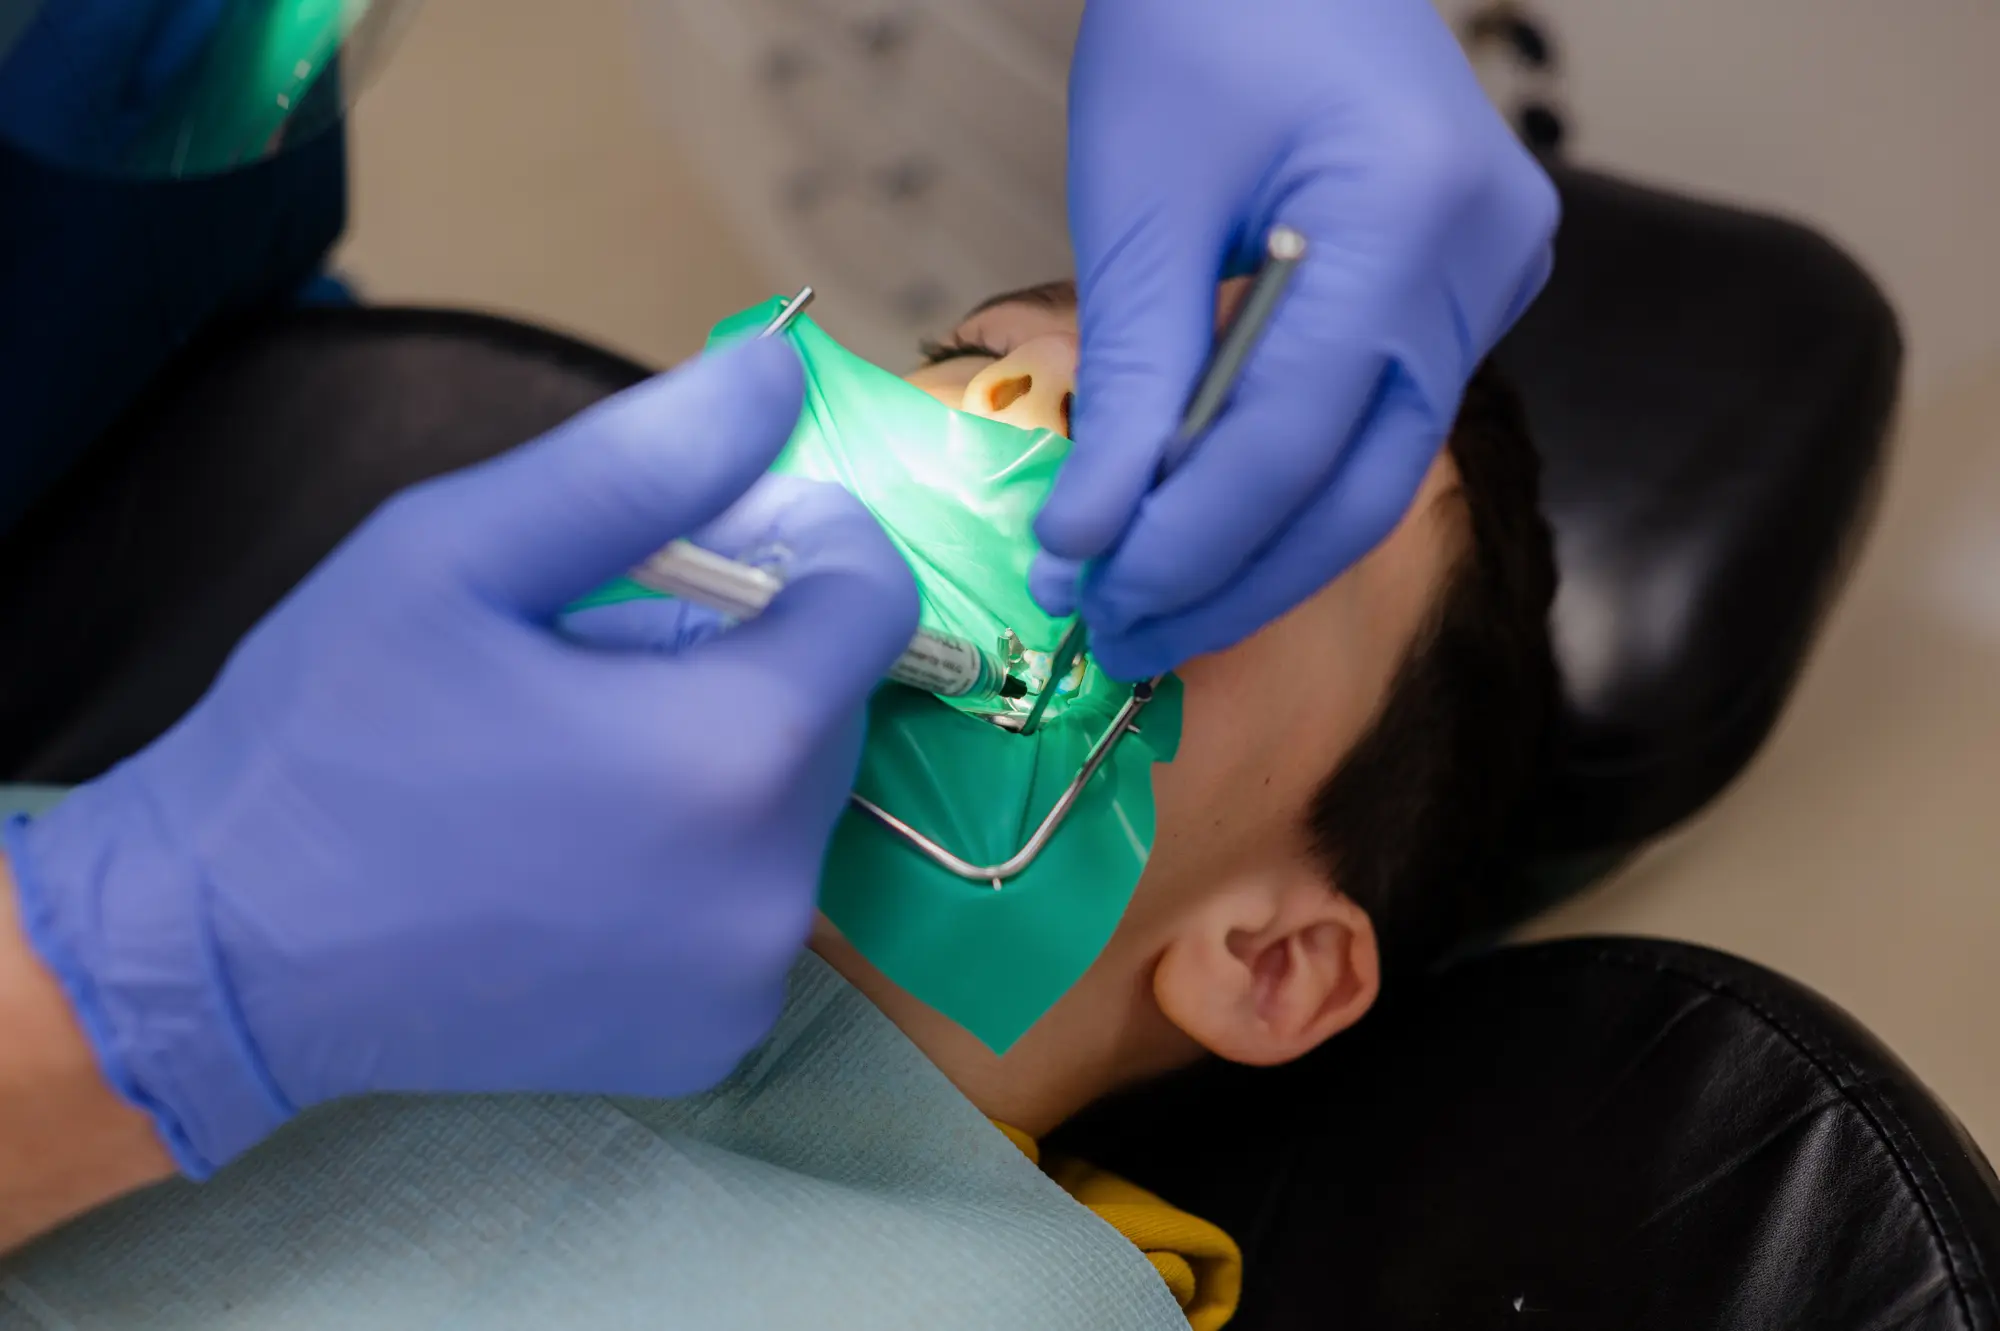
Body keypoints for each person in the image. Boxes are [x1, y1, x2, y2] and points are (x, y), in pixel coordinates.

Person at [0, 0, 1560, 1246]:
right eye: (966, 359)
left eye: (1215, 508)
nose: (999, 404)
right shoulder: (237, 804)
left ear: (1268, 966)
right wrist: (150, 971)